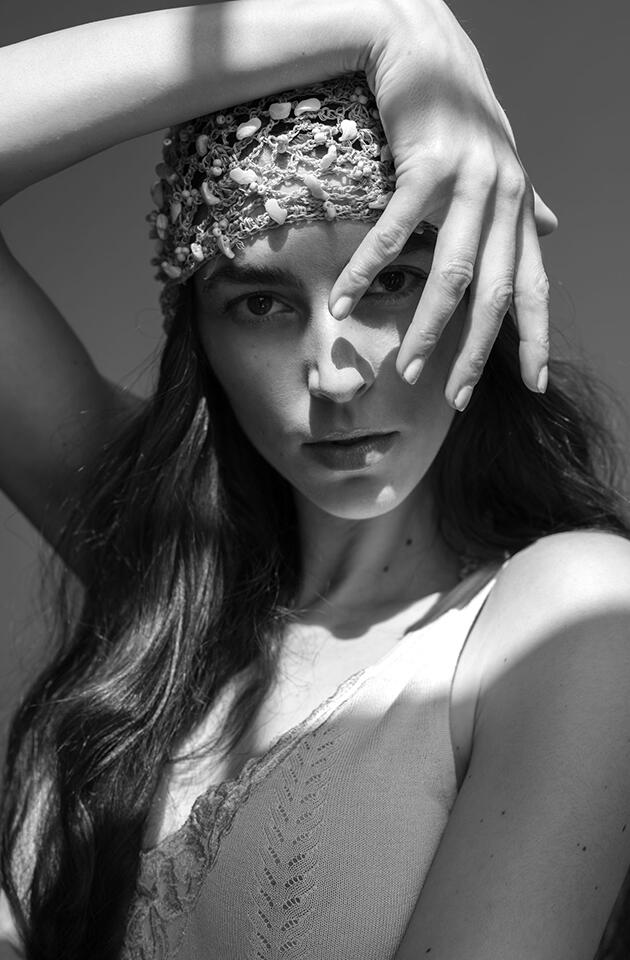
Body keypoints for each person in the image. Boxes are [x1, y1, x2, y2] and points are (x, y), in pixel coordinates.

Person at [0, 2, 629, 959]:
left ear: (482, 285)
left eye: (393, 282)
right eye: (261, 303)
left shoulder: (572, 614)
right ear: (199, 338)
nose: (337, 376)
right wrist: (379, 22)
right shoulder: (165, 564)